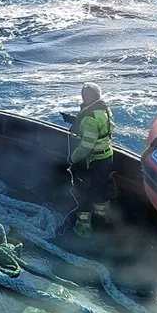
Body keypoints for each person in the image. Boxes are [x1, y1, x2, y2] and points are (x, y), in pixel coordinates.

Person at [61, 82, 114, 237]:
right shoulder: (104, 109)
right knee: (100, 190)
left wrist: (71, 159)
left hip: (96, 160)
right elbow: (103, 128)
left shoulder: (91, 118)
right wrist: (74, 120)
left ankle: (83, 230)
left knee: (87, 192)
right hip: (107, 156)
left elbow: (86, 146)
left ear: (88, 97)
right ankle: (103, 221)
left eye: (84, 95)